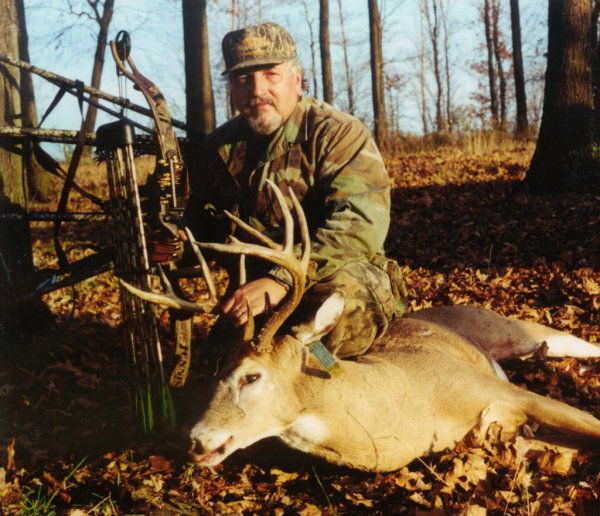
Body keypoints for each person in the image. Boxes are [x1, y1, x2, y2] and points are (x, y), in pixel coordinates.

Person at [180, 21, 406, 358]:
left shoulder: (337, 133)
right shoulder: (218, 149)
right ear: (231, 88)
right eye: (243, 79)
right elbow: (200, 229)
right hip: (254, 295)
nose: (256, 90)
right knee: (214, 372)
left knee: (332, 332)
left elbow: (359, 226)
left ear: (296, 79)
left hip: (337, 276)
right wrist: (173, 242)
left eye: (270, 74)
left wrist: (280, 280)